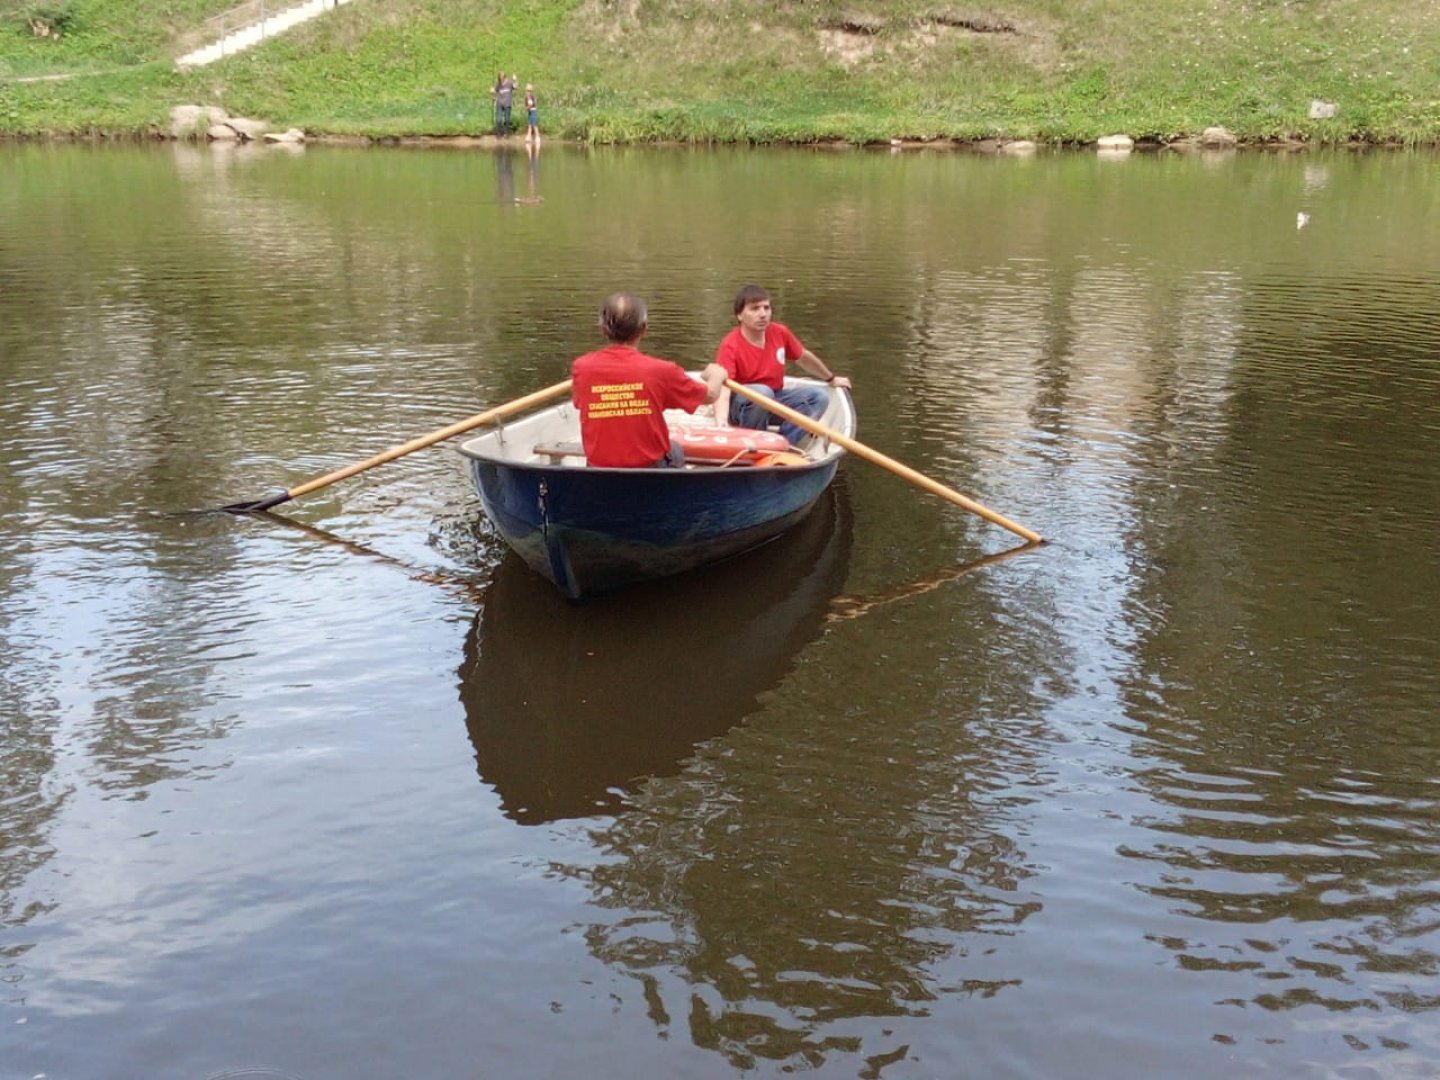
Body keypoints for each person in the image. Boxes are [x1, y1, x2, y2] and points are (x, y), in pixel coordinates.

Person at [572, 293, 728, 468]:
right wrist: (717, 374)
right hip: (650, 470)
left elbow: (579, 404)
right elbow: (710, 395)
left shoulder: (581, 368)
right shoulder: (662, 371)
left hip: (598, 472)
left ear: (603, 329)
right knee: (675, 449)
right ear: (644, 328)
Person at [713, 284, 852, 448]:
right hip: (742, 407)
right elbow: (723, 387)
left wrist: (831, 378)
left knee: (819, 397)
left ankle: (783, 444)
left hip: (775, 399)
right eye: (755, 308)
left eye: (766, 308)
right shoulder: (730, 345)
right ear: (739, 315)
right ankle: (754, 441)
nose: (763, 314)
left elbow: (803, 358)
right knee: (762, 392)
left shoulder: (780, 333)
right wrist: (721, 422)